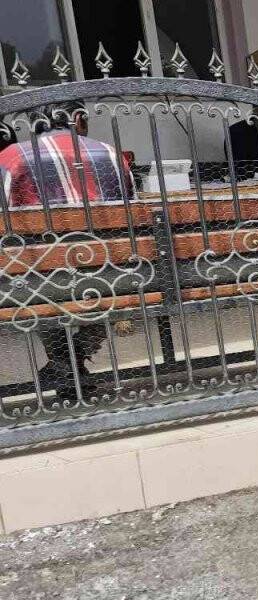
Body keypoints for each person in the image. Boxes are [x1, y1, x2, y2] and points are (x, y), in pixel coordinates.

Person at [0, 100, 132, 403]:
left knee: (32, 289)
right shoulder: (110, 153)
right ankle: (73, 363)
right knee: (109, 292)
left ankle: (63, 366)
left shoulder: (11, 157)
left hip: (37, 276)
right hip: (108, 274)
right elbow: (129, 210)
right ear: (75, 118)